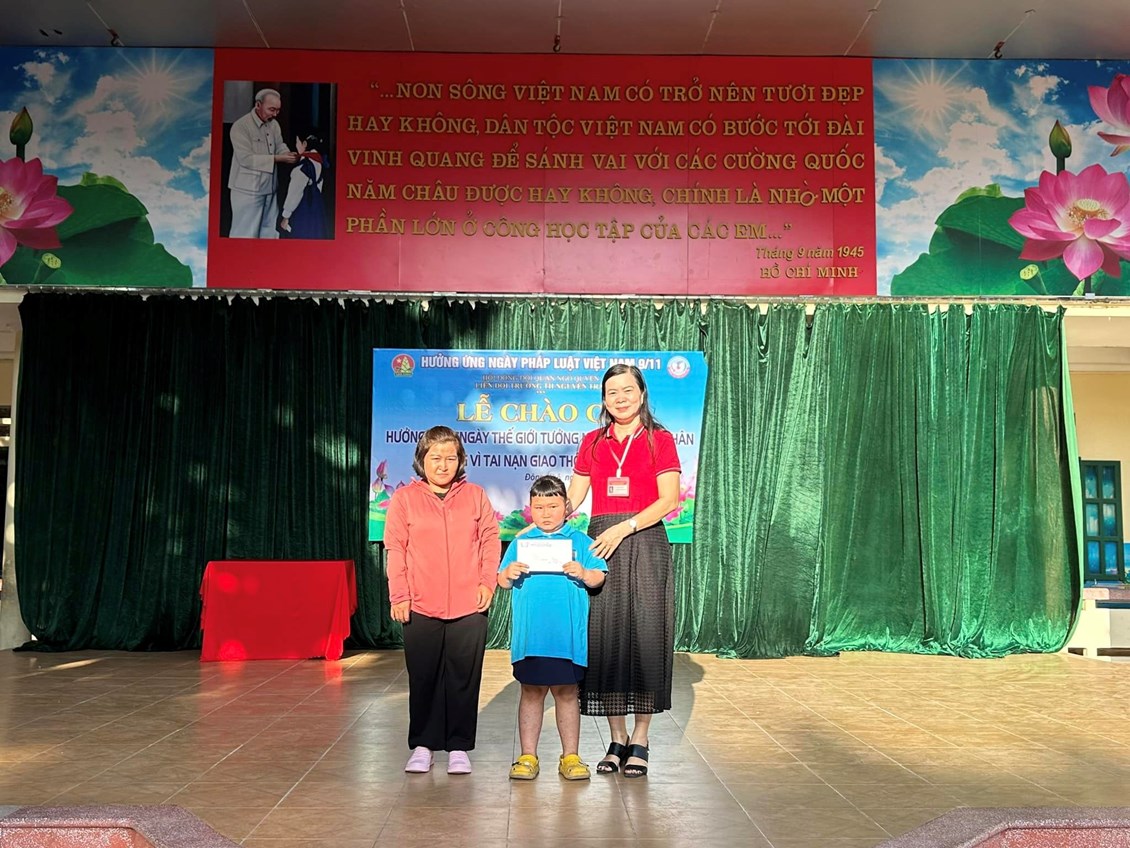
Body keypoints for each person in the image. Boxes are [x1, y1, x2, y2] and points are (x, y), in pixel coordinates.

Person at [567, 364, 681, 778]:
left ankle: (641, 739)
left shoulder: (659, 439)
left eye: (627, 390)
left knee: (646, 636)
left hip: (645, 540)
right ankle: (617, 739)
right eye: (612, 392)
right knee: (606, 638)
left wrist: (626, 526)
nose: (620, 398)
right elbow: (573, 498)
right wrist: (543, 520)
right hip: (601, 543)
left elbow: (668, 500)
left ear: (642, 394)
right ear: (603, 399)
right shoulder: (592, 442)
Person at [384, 426, 501, 775]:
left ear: (460, 460)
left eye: (451, 458)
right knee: (424, 677)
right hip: (420, 604)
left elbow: (490, 541)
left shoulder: (476, 495)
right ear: (421, 460)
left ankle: (459, 747)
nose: (443, 465)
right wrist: (400, 594)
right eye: (435, 457)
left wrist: (487, 583)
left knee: (464, 677)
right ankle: (424, 745)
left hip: (469, 604)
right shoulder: (404, 499)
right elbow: (396, 549)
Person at [497, 475, 607, 781]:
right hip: (531, 638)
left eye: (553, 506)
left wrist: (584, 572)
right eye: (539, 507)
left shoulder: (581, 541)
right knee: (531, 693)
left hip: (567, 639)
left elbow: (599, 577)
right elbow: (502, 581)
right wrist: (508, 572)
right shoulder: (521, 542)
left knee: (567, 693)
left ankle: (570, 756)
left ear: (567, 506)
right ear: (530, 508)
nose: (546, 513)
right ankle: (527, 756)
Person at [227, 88, 297, 238]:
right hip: (247, 190)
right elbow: (246, 159)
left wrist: (286, 153)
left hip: (270, 188)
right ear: (258, 105)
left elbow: (279, 145)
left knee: (269, 232)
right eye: (272, 109)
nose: (275, 114)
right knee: (245, 233)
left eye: (278, 110)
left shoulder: (274, 124)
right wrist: (278, 159)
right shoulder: (241, 126)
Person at [279, 133, 329, 239]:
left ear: (304, 144)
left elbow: (294, 194)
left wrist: (286, 216)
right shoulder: (319, 161)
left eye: (297, 143)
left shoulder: (302, 167)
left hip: (303, 209)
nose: (296, 146)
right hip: (316, 207)